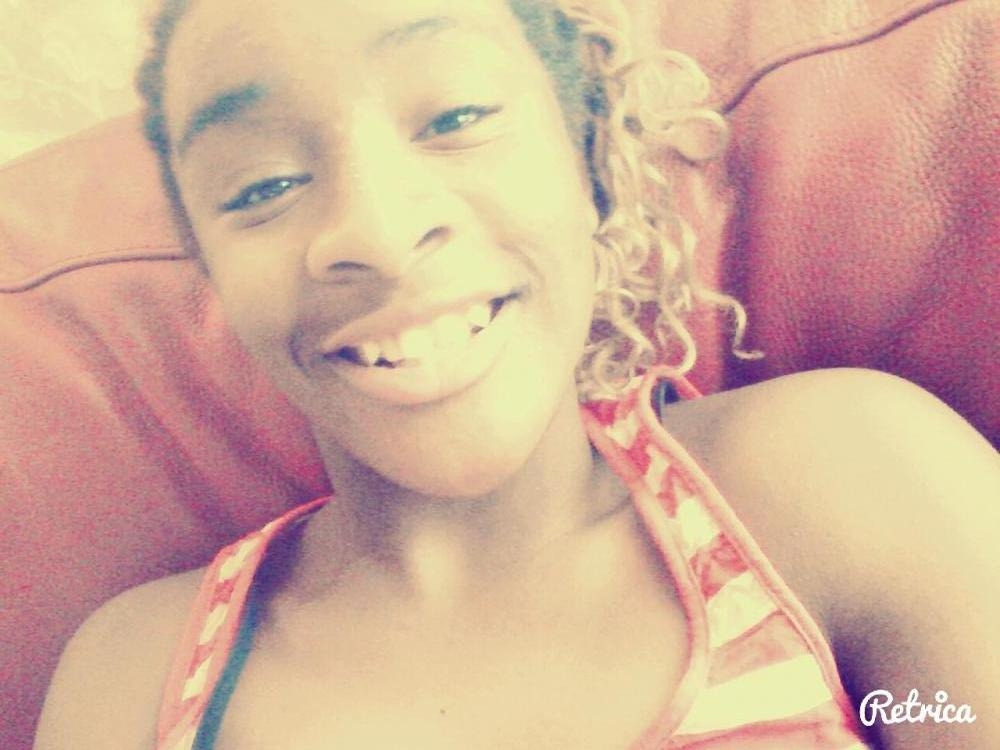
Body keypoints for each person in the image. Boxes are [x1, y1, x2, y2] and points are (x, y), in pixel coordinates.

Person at [34, 0, 999, 748]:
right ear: (210, 267)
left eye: (456, 115)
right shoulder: (132, 682)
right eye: (264, 184)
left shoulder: (846, 479)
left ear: (588, 159)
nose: (378, 232)